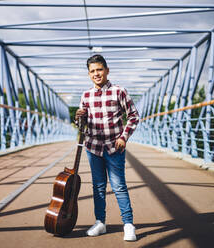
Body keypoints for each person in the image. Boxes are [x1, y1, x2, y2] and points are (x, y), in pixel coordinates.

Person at [75, 54, 139, 241]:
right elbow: (81, 126)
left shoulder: (119, 91)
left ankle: (128, 224)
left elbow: (133, 116)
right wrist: (79, 117)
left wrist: (124, 137)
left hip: (114, 147)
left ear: (107, 70)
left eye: (99, 70)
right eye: (92, 71)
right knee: (98, 187)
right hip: (93, 147)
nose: (96, 74)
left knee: (119, 186)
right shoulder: (85, 95)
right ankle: (100, 223)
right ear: (89, 74)